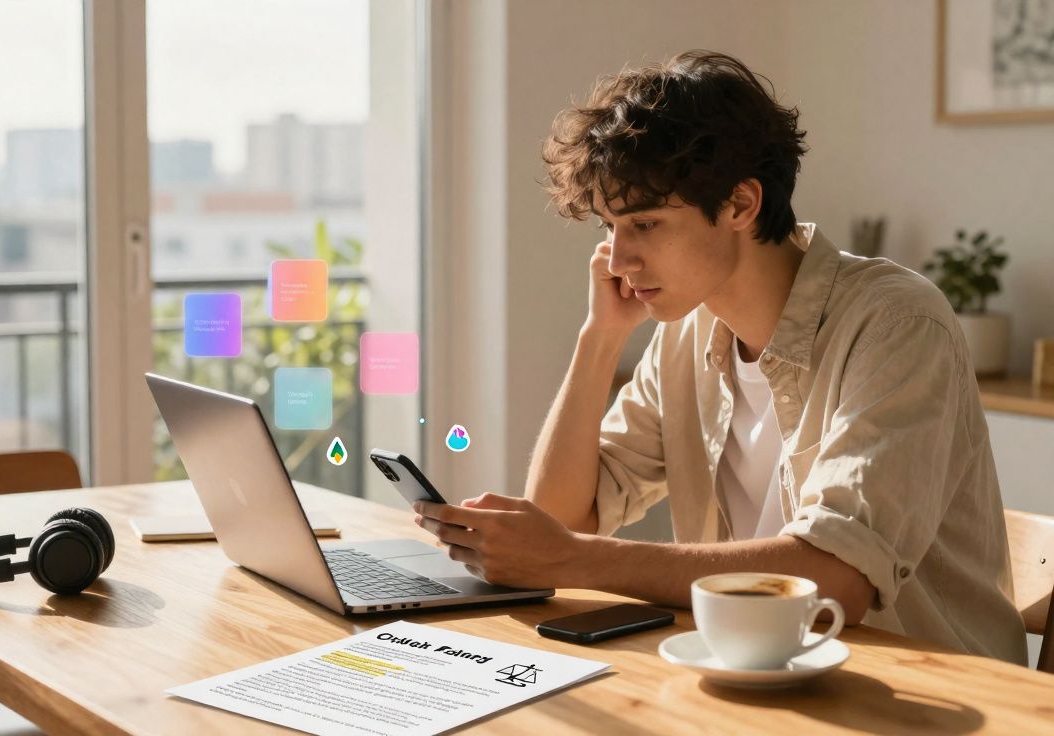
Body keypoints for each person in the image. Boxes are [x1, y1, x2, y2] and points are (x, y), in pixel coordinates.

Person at [412, 50, 1027, 664]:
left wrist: (577, 560)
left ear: (740, 205)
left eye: (644, 225)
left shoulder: (897, 323)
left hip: (925, 695)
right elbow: (563, 517)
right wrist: (598, 339)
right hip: (755, 681)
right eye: (608, 229)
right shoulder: (686, 333)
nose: (617, 260)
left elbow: (838, 576)